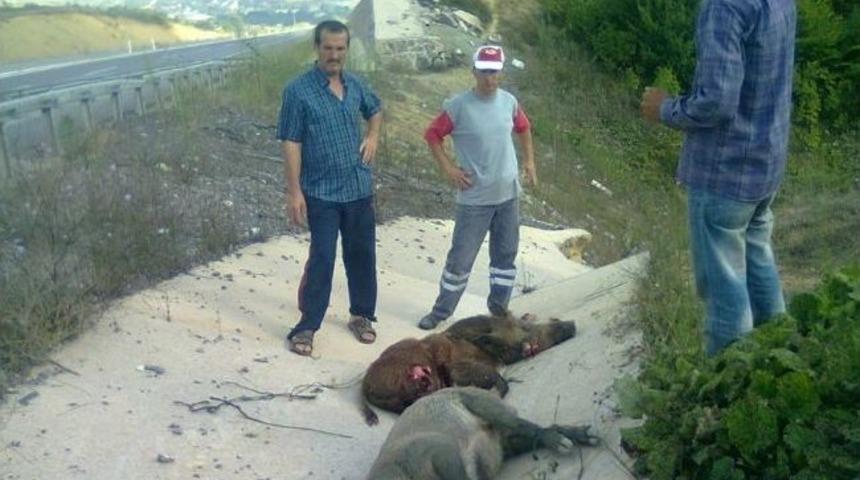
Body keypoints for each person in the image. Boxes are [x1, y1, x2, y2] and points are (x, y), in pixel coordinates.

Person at [640, 0, 796, 355]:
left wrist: (663, 108)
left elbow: (717, 101)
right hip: (765, 164)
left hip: (725, 172)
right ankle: (779, 356)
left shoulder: (723, 7)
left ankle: (730, 384)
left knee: (724, 291)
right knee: (759, 262)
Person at [276, 20, 383, 356]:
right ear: (317, 48)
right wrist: (294, 192)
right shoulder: (298, 90)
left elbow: (376, 109)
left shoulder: (355, 84)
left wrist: (373, 135)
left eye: (340, 48)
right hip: (320, 192)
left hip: (358, 188)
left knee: (362, 255)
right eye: (328, 48)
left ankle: (362, 315)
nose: (334, 55)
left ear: (347, 49)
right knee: (322, 257)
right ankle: (307, 326)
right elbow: (291, 141)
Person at [418, 45, 537, 330]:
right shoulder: (459, 106)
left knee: (505, 258)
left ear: (501, 72)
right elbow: (432, 135)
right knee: (460, 260)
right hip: (474, 199)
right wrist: (448, 168)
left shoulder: (509, 101)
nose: (489, 77)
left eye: (494, 71)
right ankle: (441, 311)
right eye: (484, 70)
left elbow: (524, 127)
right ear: (474, 71)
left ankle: (499, 310)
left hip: (508, 195)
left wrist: (530, 162)